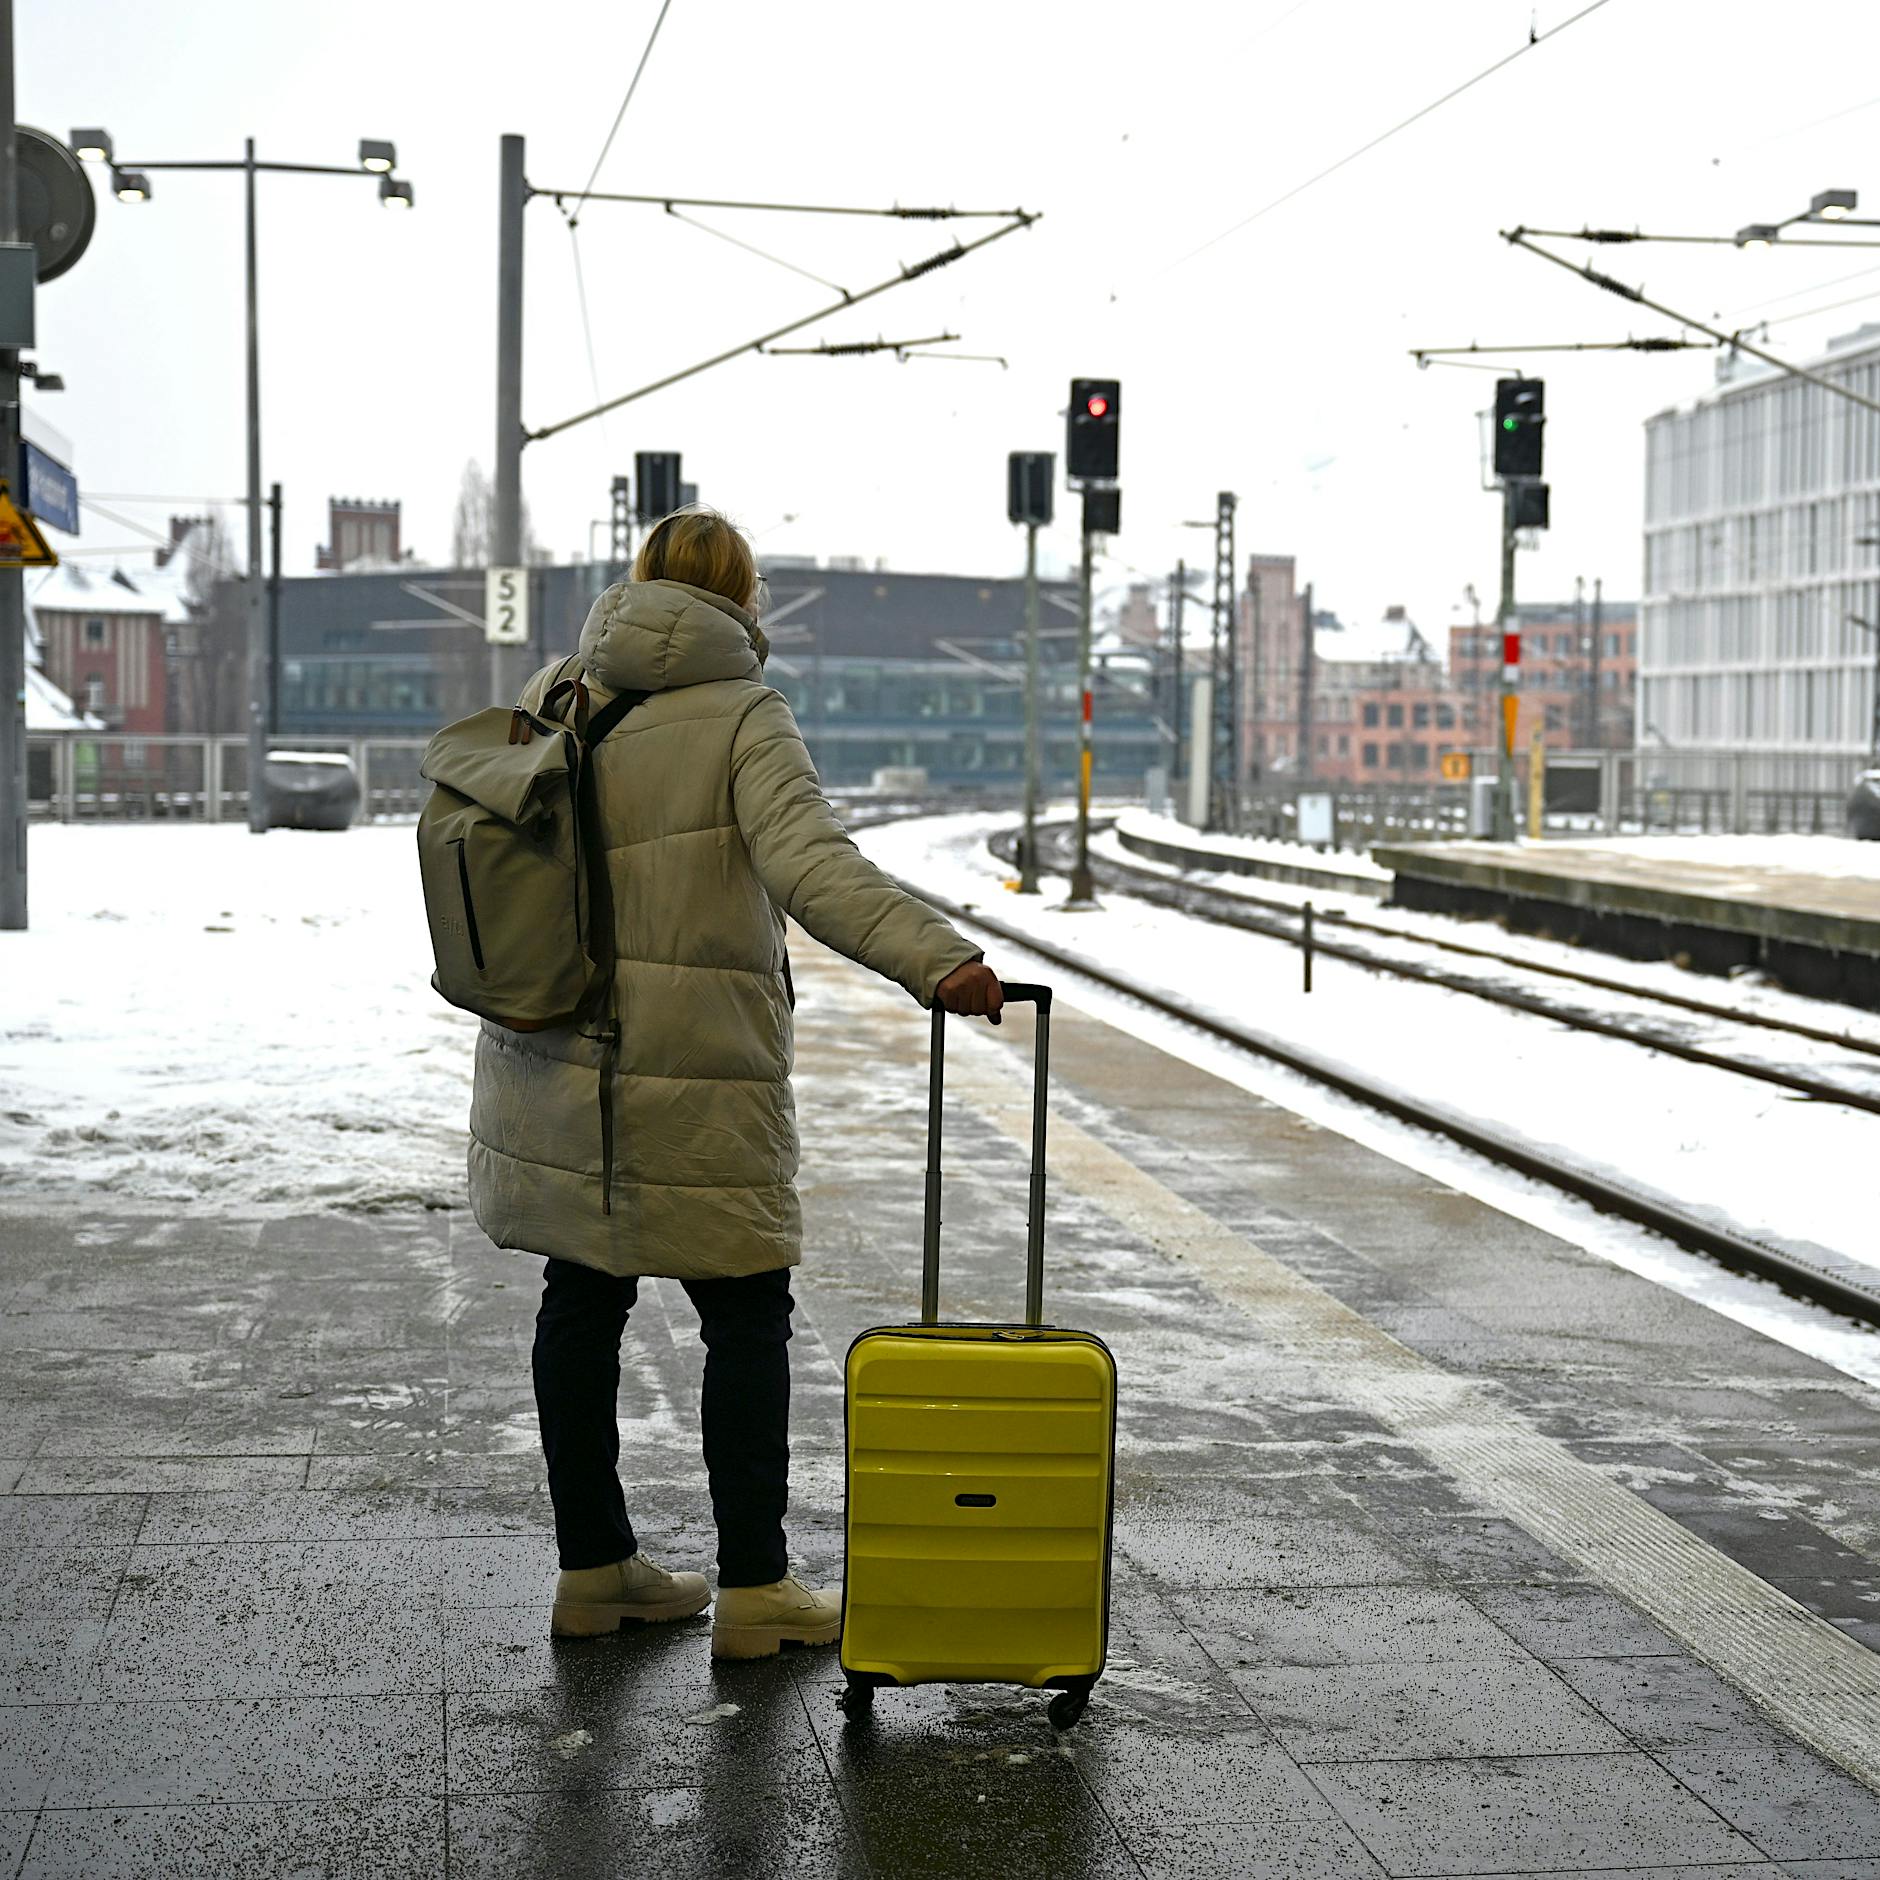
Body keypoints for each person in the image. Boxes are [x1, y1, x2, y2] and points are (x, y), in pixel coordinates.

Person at [468, 507, 1003, 1658]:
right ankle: (755, 1586)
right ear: (740, 598)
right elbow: (812, 863)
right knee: (746, 1313)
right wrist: (936, 958)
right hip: (699, 1069)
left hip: (558, 1052)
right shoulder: (745, 713)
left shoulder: (558, 691)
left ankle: (592, 1567)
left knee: (581, 1298)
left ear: (640, 581)